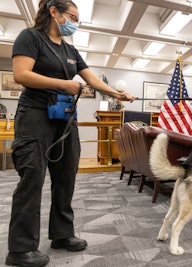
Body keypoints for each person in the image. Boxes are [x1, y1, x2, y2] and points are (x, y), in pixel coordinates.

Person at [6, 0, 136, 266]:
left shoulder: (71, 50)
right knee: (32, 179)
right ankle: (20, 249)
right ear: (54, 12)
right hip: (34, 117)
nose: (75, 23)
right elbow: (21, 74)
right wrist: (64, 84)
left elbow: (92, 79)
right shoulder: (30, 37)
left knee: (66, 177)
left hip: (64, 120)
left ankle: (62, 234)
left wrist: (118, 94)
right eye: (72, 17)